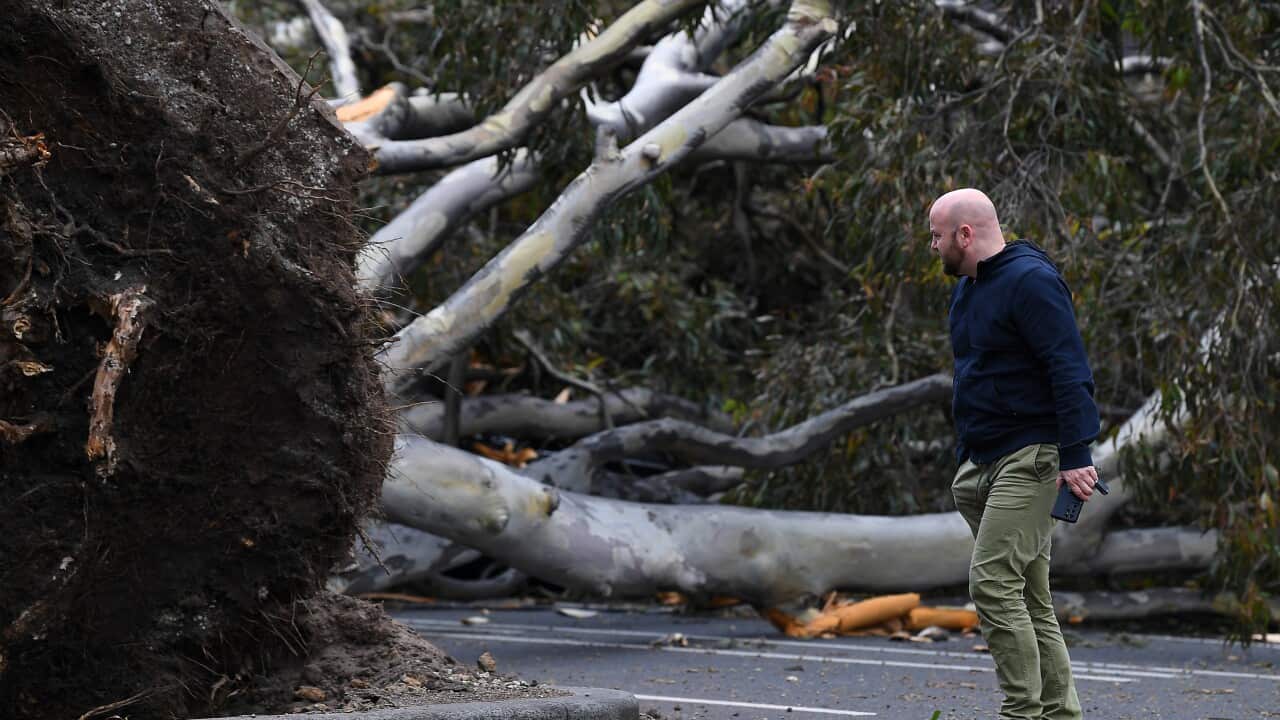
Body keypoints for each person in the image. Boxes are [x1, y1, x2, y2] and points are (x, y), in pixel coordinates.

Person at [928, 188, 1101, 720]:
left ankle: (1020, 712)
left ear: (965, 234)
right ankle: (1060, 714)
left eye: (936, 236)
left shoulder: (1030, 281)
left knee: (993, 583)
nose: (931, 246)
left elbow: (1069, 369)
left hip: (1033, 457)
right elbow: (976, 374)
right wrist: (967, 459)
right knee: (1030, 597)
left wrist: (1076, 453)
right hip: (983, 460)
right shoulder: (968, 287)